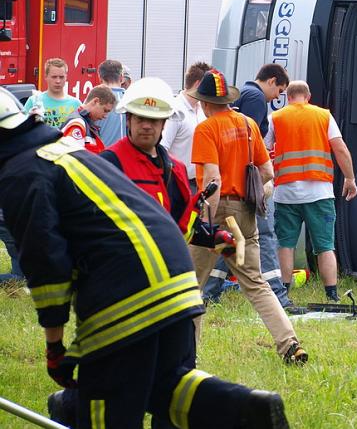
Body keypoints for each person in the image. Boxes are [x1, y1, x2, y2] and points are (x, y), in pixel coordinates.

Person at [0, 87, 289, 429]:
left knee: (104, 404)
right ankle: (243, 408)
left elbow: (46, 261)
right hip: (178, 281)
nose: (147, 127)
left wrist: (55, 346)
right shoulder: (70, 152)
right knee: (165, 384)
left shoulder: (22, 173)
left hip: (125, 288)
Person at [188, 70, 307, 364]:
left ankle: (185, 355)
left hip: (218, 213)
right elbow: (267, 173)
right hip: (244, 215)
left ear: (204, 103)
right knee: (256, 283)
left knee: (191, 287)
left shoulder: (206, 129)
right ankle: (290, 343)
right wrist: (254, 201)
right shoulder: (248, 124)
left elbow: (212, 179)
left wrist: (207, 222)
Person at [206, 63, 291, 308]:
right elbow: (247, 143)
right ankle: (277, 295)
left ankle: (210, 292)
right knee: (264, 236)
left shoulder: (244, 93)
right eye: (279, 90)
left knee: (230, 240)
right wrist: (257, 184)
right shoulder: (255, 97)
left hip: (232, 186)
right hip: (247, 185)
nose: (277, 97)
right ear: (272, 81)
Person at [265, 80, 357, 304]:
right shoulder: (323, 116)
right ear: (308, 96)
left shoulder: (275, 118)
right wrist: (350, 178)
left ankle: (284, 293)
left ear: (288, 97)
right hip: (319, 193)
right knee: (325, 246)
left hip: (285, 192)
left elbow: (265, 150)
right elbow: (340, 148)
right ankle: (332, 294)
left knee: (285, 244)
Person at [101, 77, 196, 235]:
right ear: (128, 120)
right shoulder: (108, 163)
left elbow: (180, 224)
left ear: (164, 124)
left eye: (153, 120)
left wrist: (212, 237)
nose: (146, 126)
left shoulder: (177, 170)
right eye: (140, 118)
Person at [161, 62, 210, 193]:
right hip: (177, 184)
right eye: (209, 87)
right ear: (198, 85)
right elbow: (162, 149)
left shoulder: (201, 109)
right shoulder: (175, 111)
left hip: (198, 183)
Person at [22, 57, 81, 129]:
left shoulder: (76, 104)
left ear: (66, 77)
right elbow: (21, 128)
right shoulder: (34, 101)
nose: (58, 81)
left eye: (61, 77)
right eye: (54, 77)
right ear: (46, 77)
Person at [61, 85, 116, 154]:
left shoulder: (86, 123)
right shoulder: (78, 124)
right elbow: (74, 156)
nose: (105, 116)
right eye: (105, 110)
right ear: (95, 101)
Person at [96, 59, 126, 147]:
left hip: (98, 156)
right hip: (122, 156)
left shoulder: (92, 100)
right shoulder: (130, 100)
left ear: (100, 78)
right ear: (121, 77)